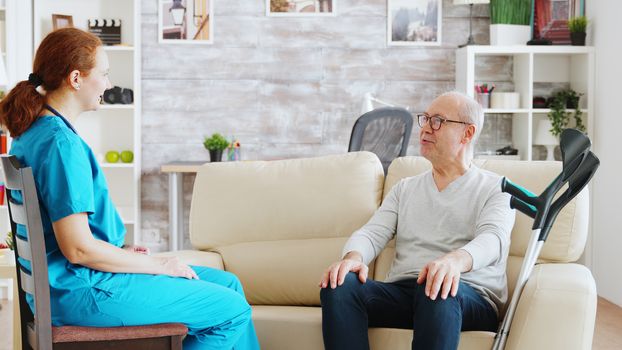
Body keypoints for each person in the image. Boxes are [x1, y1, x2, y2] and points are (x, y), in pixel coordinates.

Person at [0, 28, 259, 350]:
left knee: (229, 284)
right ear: (76, 78)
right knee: (231, 310)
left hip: (68, 282)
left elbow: (72, 241)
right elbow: (78, 249)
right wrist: (158, 264)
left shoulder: (34, 132)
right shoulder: (60, 144)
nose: (108, 85)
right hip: (83, 288)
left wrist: (121, 253)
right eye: (104, 74)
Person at [319, 91, 516, 350]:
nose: (425, 129)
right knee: (340, 284)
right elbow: (372, 233)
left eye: (438, 121)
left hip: (468, 296)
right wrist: (352, 259)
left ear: (467, 133)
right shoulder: (405, 188)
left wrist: (453, 262)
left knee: (437, 286)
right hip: (406, 292)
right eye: (425, 119)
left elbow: (493, 240)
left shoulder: (496, 188)